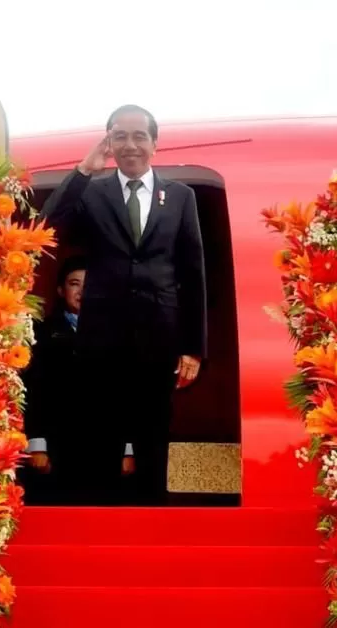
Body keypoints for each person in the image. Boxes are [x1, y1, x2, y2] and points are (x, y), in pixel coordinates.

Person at [40, 104, 207, 505]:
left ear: (154, 143)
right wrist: (84, 170)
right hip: (101, 340)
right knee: (100, 441)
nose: (130, 145)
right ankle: (101, 522)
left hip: (159, 339)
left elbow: (193, 271)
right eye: (120, 136)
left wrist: (193, 347)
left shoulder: (180, 196)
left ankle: (152, 522)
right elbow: (47, 222)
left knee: (153, 440)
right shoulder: (93, 191)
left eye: (138, 136)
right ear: (109, 143)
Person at [22, 257, 135, 504]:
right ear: (61, 290)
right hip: (57, 448)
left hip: (106, 449)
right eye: (75, 284)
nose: (82, 291)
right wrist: (37, 445)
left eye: (90, 285)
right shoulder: (41, 332)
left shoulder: (117, 334)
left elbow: (127, 394)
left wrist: (128, 449)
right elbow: (34, 390)